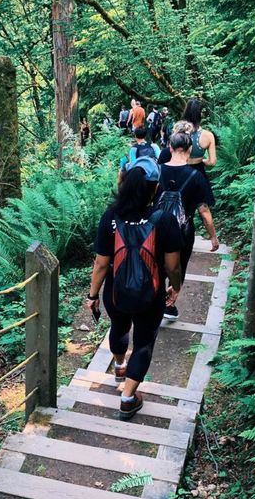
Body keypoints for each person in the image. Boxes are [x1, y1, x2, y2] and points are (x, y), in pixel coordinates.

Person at [84, 157, 184, 420]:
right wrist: (175, 287)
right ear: (155, 188)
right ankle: (128, 398)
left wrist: (92, 295)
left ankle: (119, 366)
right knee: (143, 342)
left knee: (118, 327)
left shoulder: (111, 217)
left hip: (115, 292)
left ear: (124, 181)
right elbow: (173, 265)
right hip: (150, 295)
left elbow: (101, 264)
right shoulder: (164, 219)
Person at [157, 122, 220, 321]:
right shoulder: (196, 176)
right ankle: (170, 304)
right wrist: (213, 236)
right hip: (183, 230)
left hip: (156, 226)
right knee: (178, 266)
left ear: (170, 148)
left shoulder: (156, 171)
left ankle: (156, 301)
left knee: (157, 264)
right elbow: (204, 210)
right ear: (190, 149)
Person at [180, 98, 218, 186]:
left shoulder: (178, 133)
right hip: (199, 172)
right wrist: (201, 160)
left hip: (181, 171)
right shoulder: (208, 135)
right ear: (200, 114)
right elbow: (212, 162)